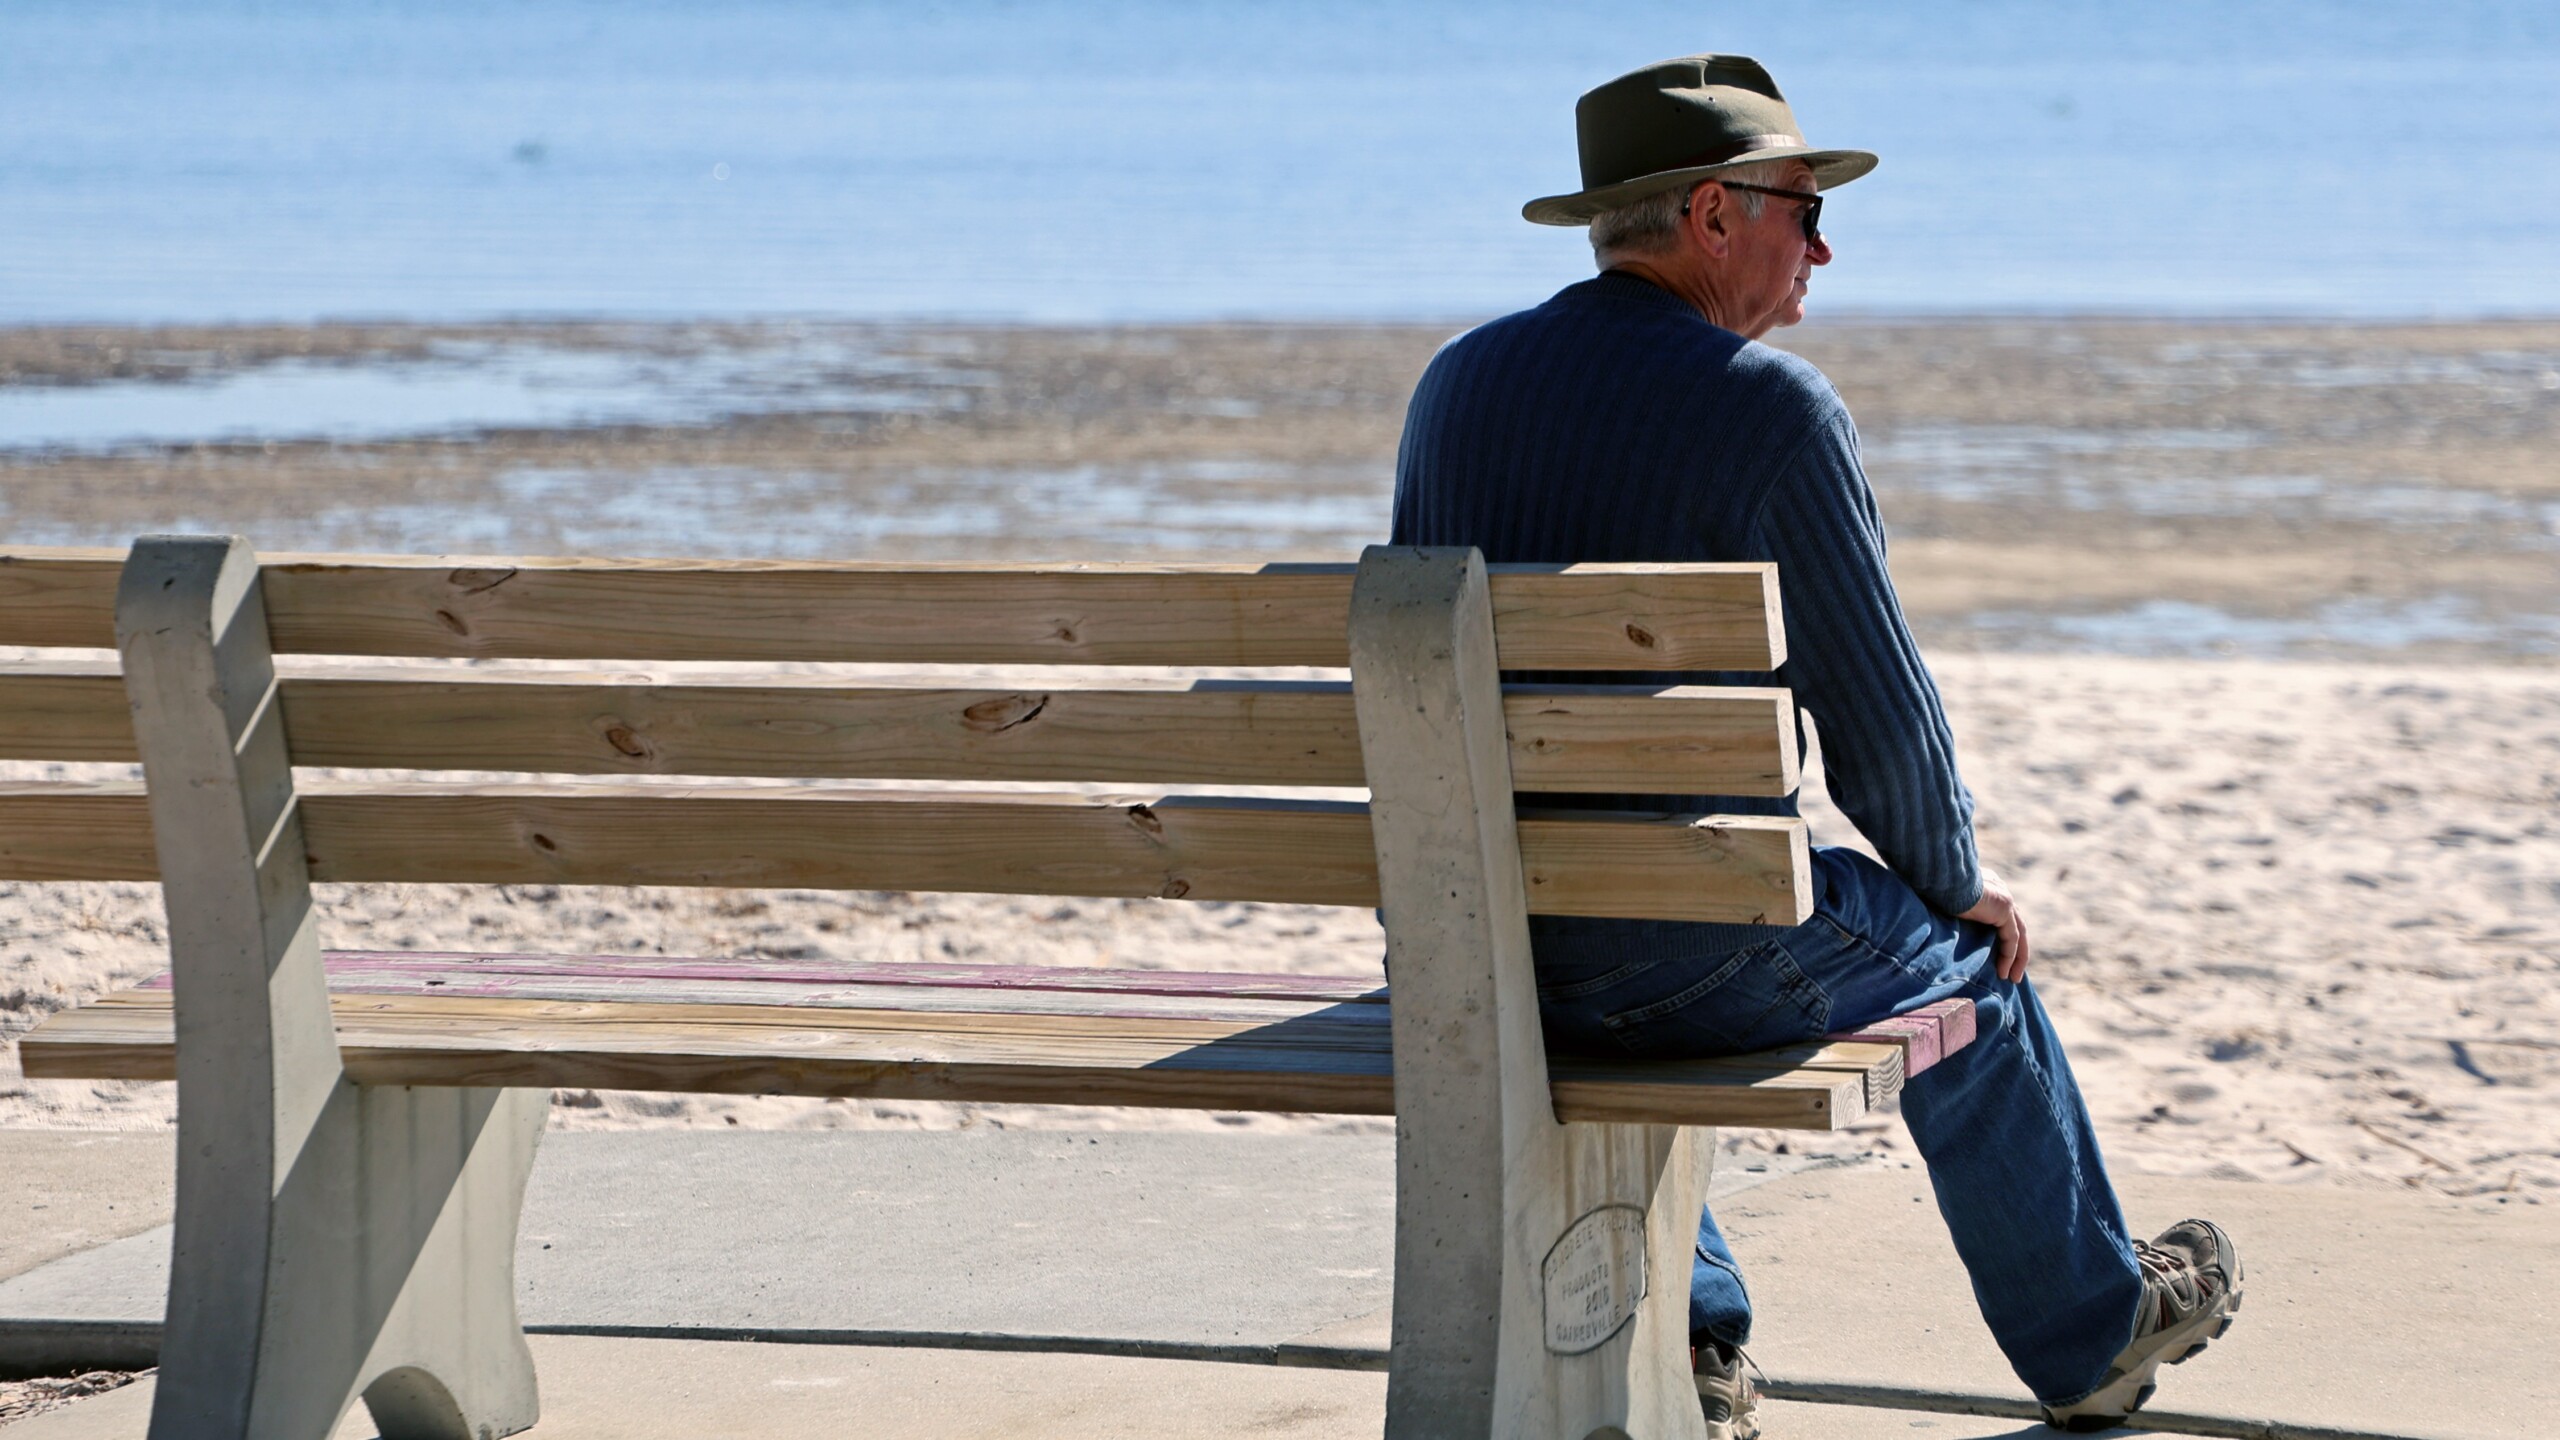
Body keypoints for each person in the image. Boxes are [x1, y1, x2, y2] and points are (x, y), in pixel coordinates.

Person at [1390, 53, 2242, 1437]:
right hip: (1695, 949)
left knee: (1628, 964)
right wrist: (1956, 882)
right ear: (1714, 215)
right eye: (1802, 207)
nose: (1824, 245)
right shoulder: (1773, 408)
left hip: (1481, 945)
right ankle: (2096, 1329)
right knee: (1970, 976)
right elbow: (1878, 718)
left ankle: (1701, 1341)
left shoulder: (1458, 385)